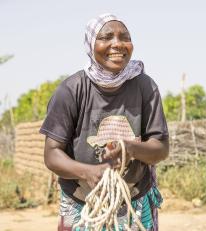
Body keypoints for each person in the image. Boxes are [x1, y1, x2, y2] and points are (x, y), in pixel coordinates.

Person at [40, 13, 169, 231]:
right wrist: (88, 172)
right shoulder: (71, 90)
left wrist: (129, 148)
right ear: (91, 45)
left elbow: (161, 148)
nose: (117, 44)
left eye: (124, 37)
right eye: (106, 37)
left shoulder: (145, 87)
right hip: (81, 202)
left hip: (133, 200)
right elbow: (52, 154)